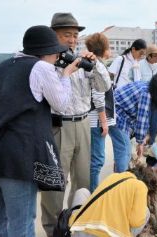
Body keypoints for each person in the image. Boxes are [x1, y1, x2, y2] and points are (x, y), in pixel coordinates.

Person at [0, 25, 80, 237]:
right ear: (47, 51)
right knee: (21, 224)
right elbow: (61, 104)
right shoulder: (41, 67)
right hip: (18, 158)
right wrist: (66, 75)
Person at [40, 13, 112, 237]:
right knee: (55, 182)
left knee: (83, 180)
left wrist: (95, 63)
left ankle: (74, 223)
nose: (72, 39)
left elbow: (103, 86)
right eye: (66, 35)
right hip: (57, 127)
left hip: (83, 125)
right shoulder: (46, 62)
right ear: (54, 35)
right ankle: (53, 229)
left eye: (75, 35)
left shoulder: (83, 61)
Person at [69, 165, 157, 237]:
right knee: (146, 212)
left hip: (78, 231)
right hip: (106, 235)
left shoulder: (114, 176)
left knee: (82, 192)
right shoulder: (141, 186)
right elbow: (136, 222)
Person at [85, 32, 123, 191]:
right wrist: (104, 122)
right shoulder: (98, 66)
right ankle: (93, 194)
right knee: (97, 160)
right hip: (96, 121)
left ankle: (92, 191)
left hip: (94, 120)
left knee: (95, 159)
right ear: (104, 49)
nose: (112, 50)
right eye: (110, 47)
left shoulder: (95, 65)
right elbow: (98, 96)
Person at [113, 72, 157, 171]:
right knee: (125, 151)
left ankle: (120, 173)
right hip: (117, 115)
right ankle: (121, 179)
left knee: (123, 152)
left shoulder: (148, 87)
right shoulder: (147, 93)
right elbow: (142, 118)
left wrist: (144, 139)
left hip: (123, 116)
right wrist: (140, 142)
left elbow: (149, 117)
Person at [140, 44, 157, 146]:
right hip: (144, 98)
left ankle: (151, 144)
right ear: (149, 56)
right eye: (156, 55)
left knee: (155, 123)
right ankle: (142, 144)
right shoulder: (140, 65)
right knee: (144, 122)